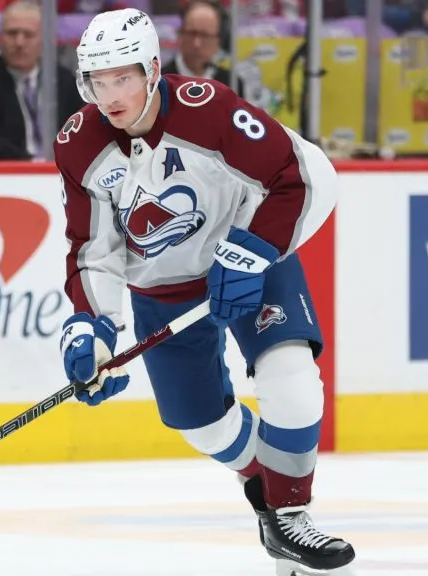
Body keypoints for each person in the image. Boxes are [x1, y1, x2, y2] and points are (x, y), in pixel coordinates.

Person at [52, 8, 354, 575]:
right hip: (164, 292)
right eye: (97, 80)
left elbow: (307, 176)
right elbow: (93, 250)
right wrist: (90, 327)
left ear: (152, 70)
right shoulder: (78, 146)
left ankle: (290, 515)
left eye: (123, 77)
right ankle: (272, 487)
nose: (109, 95)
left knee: (293, 381)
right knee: (201, 426)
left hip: (253, 263)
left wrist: (251, 250)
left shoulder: (208, 109)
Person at [0, 0, 83, 160]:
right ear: (0, 37)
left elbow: (80, 131)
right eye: (12, 33)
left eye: (28, 35)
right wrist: (33, 162)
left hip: (58, 172)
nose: (19, 43)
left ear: (44, 39)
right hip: (3, 174)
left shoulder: (63, 80)